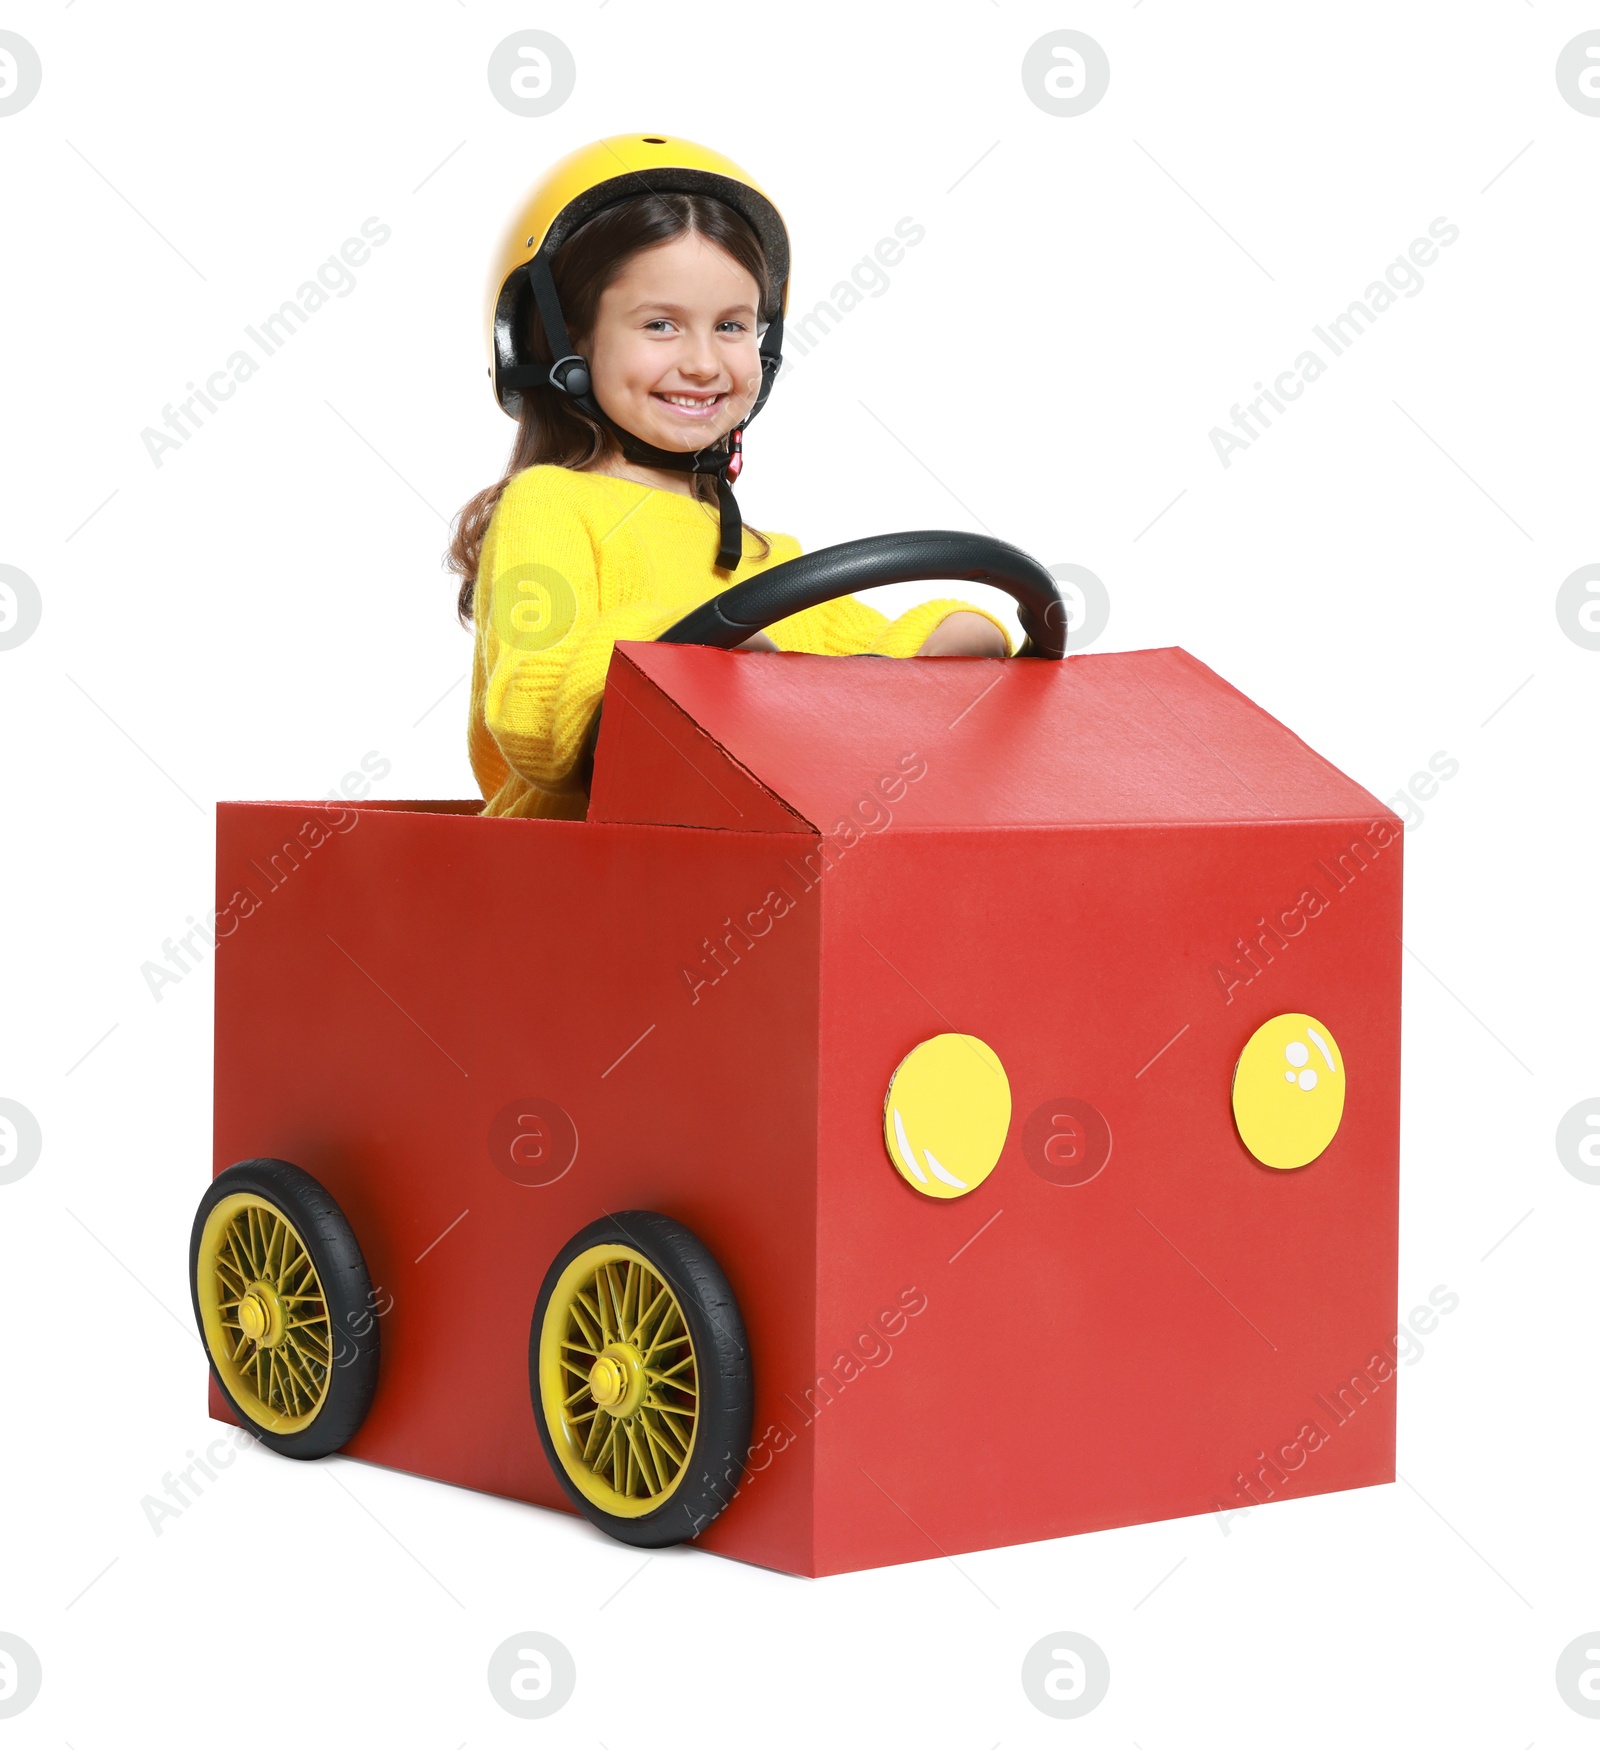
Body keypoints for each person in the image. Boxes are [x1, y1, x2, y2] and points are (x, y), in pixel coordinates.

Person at [451, 135, 1013, 821]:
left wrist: (946, 636)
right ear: (568, 344)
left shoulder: (761, 556)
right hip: (563, 892)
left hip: (726, 873)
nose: (702, 363)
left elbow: (865, 662)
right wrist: (691, 643)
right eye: (660, 324)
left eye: (731, 326)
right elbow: (532, 718)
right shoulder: (550, 505)